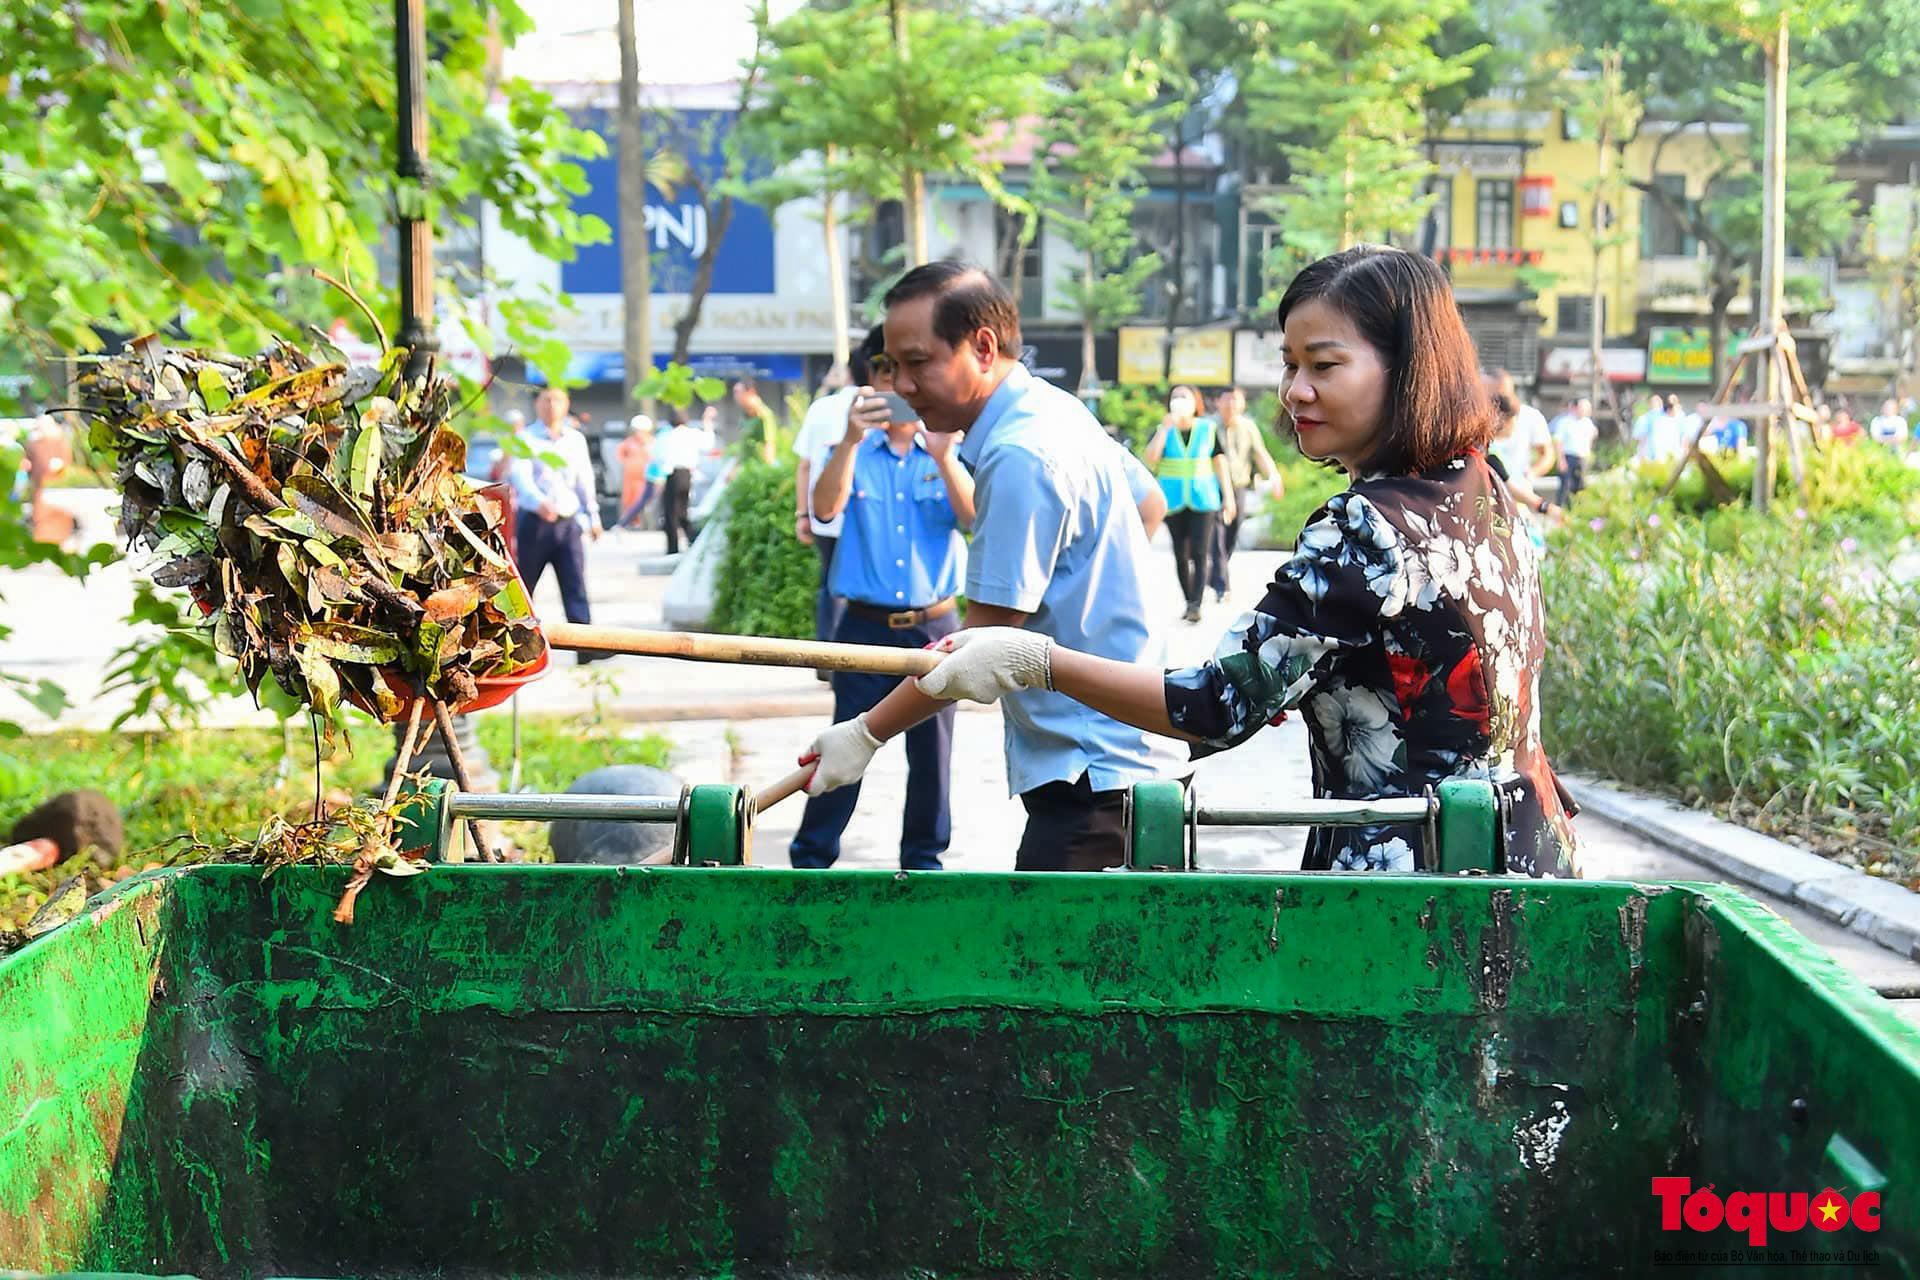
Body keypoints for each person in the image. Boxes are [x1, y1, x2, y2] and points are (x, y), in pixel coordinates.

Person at [913, 245, 1579, 877]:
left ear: (1408, 368)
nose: (1294, 391)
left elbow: (1216, 704)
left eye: (1323, 365)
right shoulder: (1478, 484)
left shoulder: (1363, 528)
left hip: (1410, 889)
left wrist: (1038, 661)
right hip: (1527, 853)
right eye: (1290, 365)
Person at [793, 261, 1184, 871]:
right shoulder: (1055, 409)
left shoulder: (1019, 455)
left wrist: (865, 734)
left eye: (918, 362)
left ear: (982, 347)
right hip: (1124, 758)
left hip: (1095, 772)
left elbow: (979, 647)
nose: (903, 385)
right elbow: (1149, 504)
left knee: (1053, 961)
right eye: (892, 367)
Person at [788, 330, 975, 870]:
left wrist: (944, 459)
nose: (897, 387)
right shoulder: (849, 451)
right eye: (885, 374)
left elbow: (973, 520)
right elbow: (824, 511)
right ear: (869, 384)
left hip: (934, 627)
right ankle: (811, 859)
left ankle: (923, 863)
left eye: (908, 374)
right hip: (864, 628)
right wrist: (847, 441)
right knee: (846, 741)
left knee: (932, 754)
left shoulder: (945, 448)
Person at [790, 345, 870, 678]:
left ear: (849, 371)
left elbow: (805, 465)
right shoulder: (889, 409)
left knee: (831, 586)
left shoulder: (822, 408)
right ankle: (864, 661)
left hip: (826, 516)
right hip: (866, 515)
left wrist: (802, 514)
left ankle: (827, 663)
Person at [507, 389, 605, 656]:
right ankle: (513, 646)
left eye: (558, 400)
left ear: (567, 404)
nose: (552, 406)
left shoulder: (575, 440)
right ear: (537, 404)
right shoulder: (525, 439)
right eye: (547, 400)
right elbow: (521, 477)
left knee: (575, 584)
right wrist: (538, 501)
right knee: (523, 586)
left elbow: (585, 479)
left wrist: (592, 515)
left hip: (568, 522)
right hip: (535, 522)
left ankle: (586, 648)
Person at [1144, 384, 1236, 623]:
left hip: (1203, 499)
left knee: (1200, 551)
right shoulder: (1162, 431)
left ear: (1195, 402)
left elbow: (1219, 463)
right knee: (1180, 553)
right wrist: (1164, 429)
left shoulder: (1207, 428)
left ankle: (1196, 604)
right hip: (1172, 501)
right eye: (1175, 397)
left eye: (1184, 397)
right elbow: (1151, 458)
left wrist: (1228, 497)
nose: (1179, 401)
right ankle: (1188, 600)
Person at [1208, 387, 1284, 603]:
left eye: (1235, 400)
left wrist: (1274, 475)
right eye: (1227, 400)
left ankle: (1215, 572)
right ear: (1217, 402)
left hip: (1239, 486)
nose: (1231, 405)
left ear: (1241, 404)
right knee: (1217, 535)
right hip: (1213, 487)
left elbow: (1260, 454)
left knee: (1232, 532)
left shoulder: (1248, 427)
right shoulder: (1210, 426)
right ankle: (1222, 585)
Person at [652, 412, 701, 554]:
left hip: (673, 474)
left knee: (671, 513)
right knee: (683, 510)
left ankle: (673, 547)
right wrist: (707, 421)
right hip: (687, 474)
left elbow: (660, 457)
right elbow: (709, 441)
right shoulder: (692, 434)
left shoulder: (666, 437)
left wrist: (659, 479)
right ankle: (691, 540)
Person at [1551, 396, 1597, 506]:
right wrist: (1561, 460)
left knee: (1580, 486)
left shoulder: (1587, 422)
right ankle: (1561, 510)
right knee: (1565, 486)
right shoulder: (1565, 422)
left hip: (1582, 457)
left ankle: (1578, 509)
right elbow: (1558, 441)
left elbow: (1591, 436)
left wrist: (1588, 453)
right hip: (1568, 457)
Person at [615, 416, 655, 529]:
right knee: (628, 499)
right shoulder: (629, 442)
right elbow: (619, 454)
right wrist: (626, 463)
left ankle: (646, 524)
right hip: (630, 478)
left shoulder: (651, 442)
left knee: (643, 500)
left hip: (645, 478)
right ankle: (629, 522)